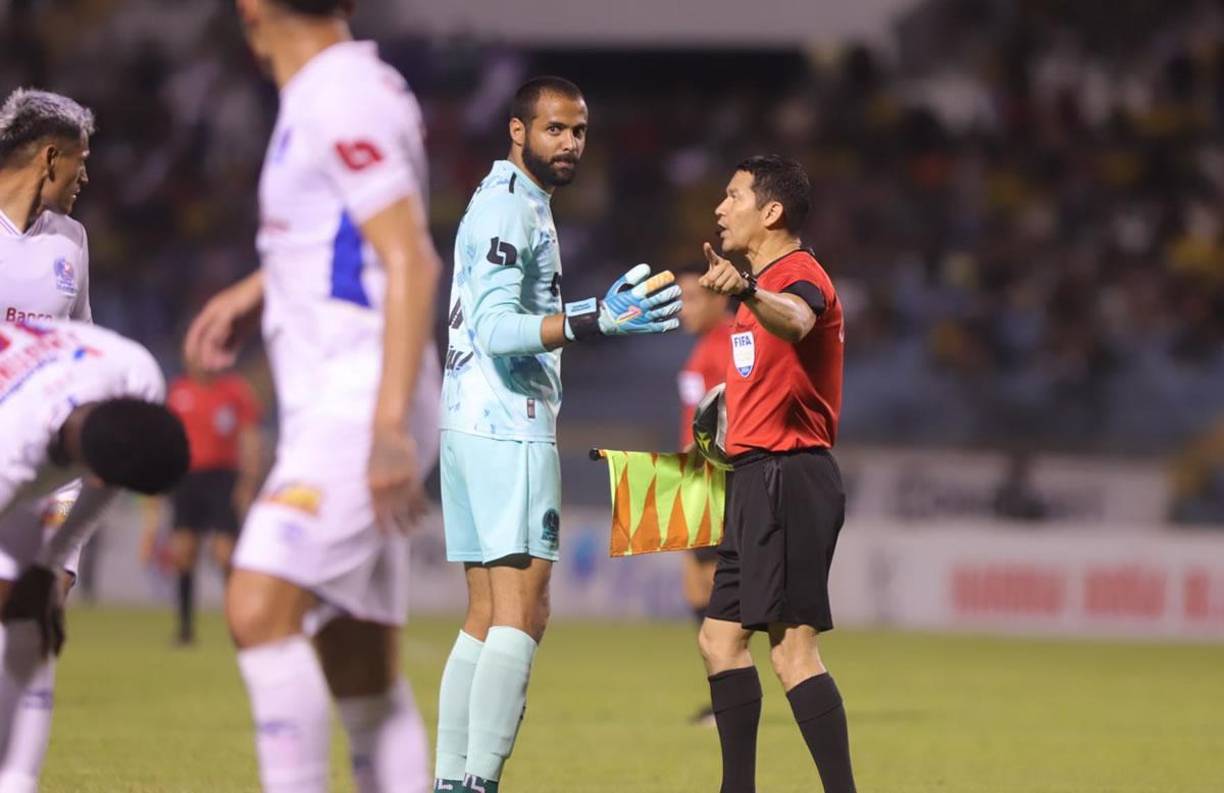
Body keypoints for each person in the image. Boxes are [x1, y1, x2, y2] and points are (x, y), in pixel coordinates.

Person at [182, 1, 443, 791]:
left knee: (258, 607)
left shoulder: (336, 95)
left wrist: (390, 424)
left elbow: (412, 260)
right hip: (347, 396)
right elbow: (350, 231)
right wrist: (261, 289)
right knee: (359, 664)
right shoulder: (353, 86)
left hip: (362, 397)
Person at [434, 76, 682, 792]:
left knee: (485, 613)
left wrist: (587, 310)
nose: (569, 143)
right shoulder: (511, 209)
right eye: (554, 129)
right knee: (524, 611)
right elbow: (495, 328)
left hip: (470, 419)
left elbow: (509, 312)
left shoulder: (510, 202)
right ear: (518, 131)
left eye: (578, 131)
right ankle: (478, 780)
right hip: (506, 423)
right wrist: (593, 319)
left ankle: (452, 780)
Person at [696, 155, 856, 793]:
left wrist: (748, 292)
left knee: (793, 653)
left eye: (732, 196)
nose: (719, 207)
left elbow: (799, 318)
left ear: (772, 211)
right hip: (753, 478)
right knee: (718, 641)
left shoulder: (798, 276)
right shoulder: (750, 298)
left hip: (792, 479)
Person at [0, 319, 188, 793]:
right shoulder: (9, 456)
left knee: (30, 619)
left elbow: (113, 476)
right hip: (16, 420)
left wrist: (50, 565)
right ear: (98, 475)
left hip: (41, 398)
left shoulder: (138, 375)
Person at [0, 86, 96, 792]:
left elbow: (83, 352)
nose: (84, 179)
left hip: (50, 474)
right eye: (80, 164)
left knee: (36, 631)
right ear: (50, 157)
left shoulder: (73, 241)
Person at [144, 362, 263, 645]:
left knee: (225, 554)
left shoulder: (235, 391)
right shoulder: (178, 391)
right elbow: (163, 439)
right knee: (184, 552)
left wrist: (248, 482)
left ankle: (239, 624)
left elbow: (249, 437)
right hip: (186, 478)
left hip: (223, 478)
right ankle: (185, 629)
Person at [675, 265, 732, 726]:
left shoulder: (730, 342)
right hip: (696, 478)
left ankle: (727, 696)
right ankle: (720, 693)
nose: (682, 308)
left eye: (692, 298)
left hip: (715, 478)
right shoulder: (702, 347)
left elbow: (731, 411)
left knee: (715, 588)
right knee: (695, 585)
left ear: (719, 299)